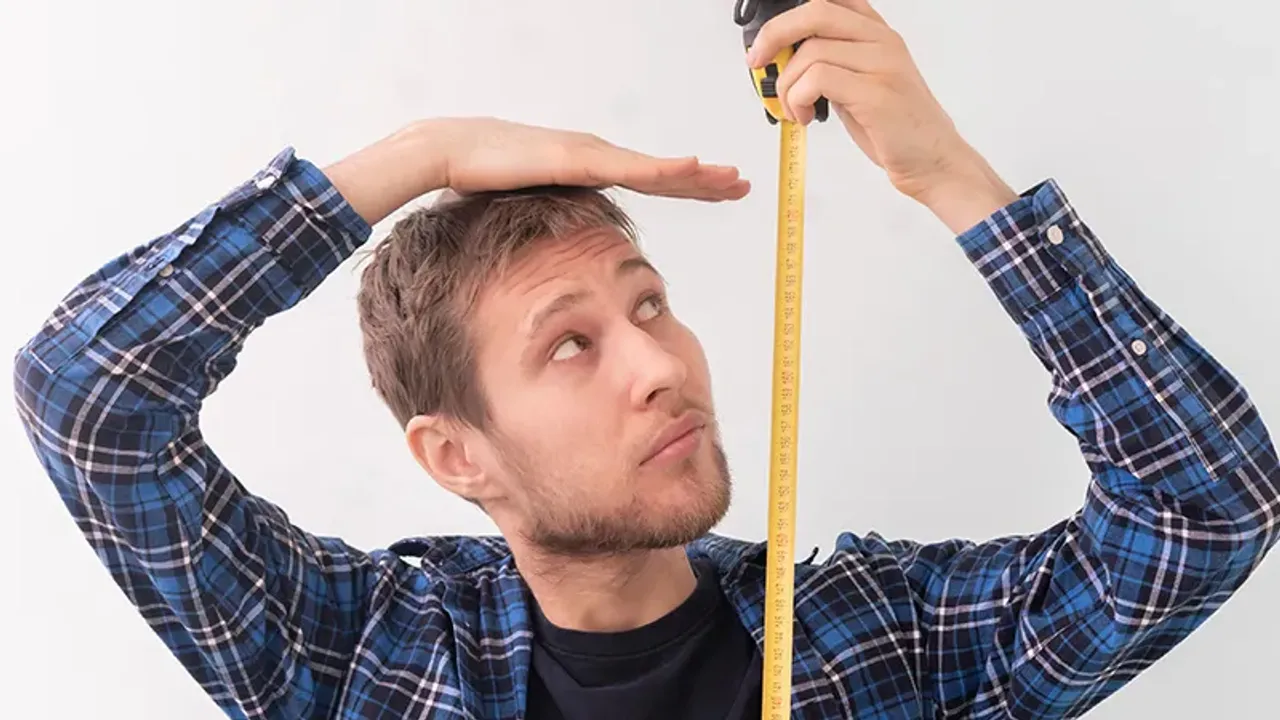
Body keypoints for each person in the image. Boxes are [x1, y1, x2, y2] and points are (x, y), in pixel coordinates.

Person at [13, 2, 1279, 719]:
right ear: (454, 454)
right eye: (570, 343)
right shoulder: (357, 658)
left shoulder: (886, 642)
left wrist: (948, 177)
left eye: (650, 304)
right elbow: (91, 396)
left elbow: (1204, 512)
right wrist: (423, 154)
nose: (661, 364)